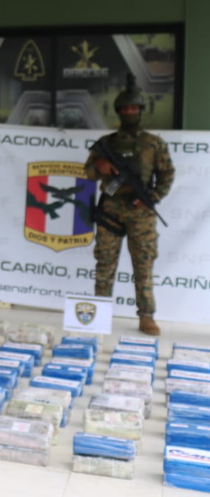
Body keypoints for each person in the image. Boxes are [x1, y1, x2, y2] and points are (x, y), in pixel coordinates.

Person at [85, 77, 174, 336]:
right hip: (111, 209)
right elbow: (87, 173)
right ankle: (99, 315)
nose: (130, 112)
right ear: (119, 111)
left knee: (143, 264)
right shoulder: (106, 143)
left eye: (134, 108)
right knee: (105, 263)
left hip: (141, 212)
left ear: (141, 111)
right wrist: (99, 168)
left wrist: (152, 197)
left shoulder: (153, 143)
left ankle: (146, 316)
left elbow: (167, 174)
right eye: (125, 109)